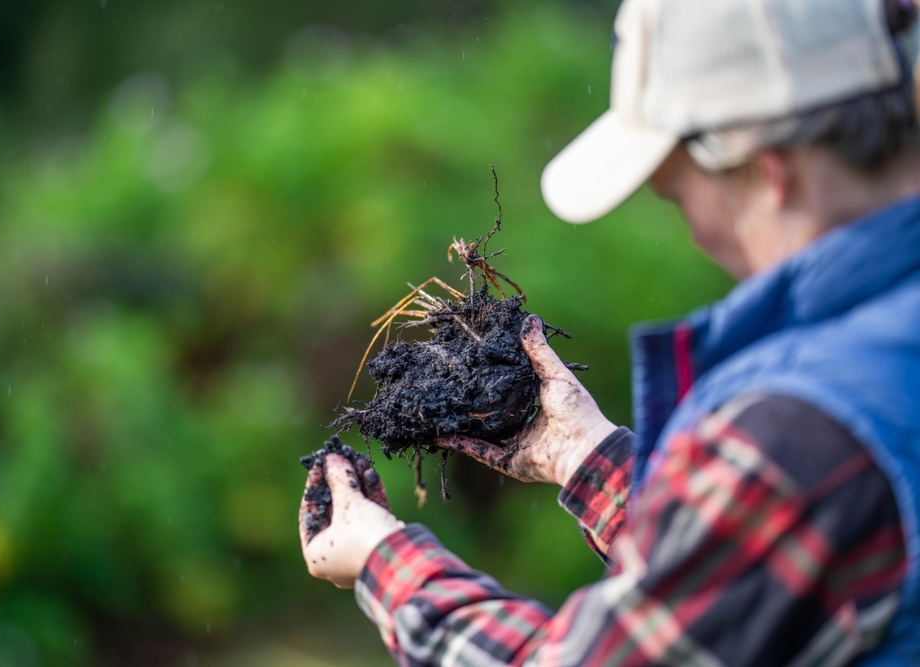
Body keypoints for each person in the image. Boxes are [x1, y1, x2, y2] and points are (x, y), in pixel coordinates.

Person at [299, 0, 920, 664]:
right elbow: (739, 583)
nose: (693, 230)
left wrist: (382, 561)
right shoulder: (880, 356)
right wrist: (584, 453)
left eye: (677, 194)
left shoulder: (801, 432)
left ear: (769, 174)